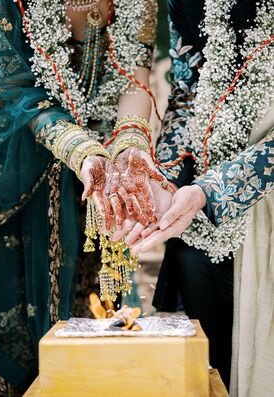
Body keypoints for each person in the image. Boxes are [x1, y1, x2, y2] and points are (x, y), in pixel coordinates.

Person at [0, 0, 160, 394]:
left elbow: (135, 77)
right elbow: (10, 90)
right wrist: (84, 152)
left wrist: (130, 144)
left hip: (93, 186)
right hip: (8, 170)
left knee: (93, 339)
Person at [122, 0, 273, 393]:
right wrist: (166, 180)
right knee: (210, 369)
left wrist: (214, 189)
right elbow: (188, 90)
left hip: (258, 202)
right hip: (199, 212)